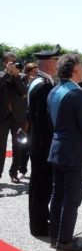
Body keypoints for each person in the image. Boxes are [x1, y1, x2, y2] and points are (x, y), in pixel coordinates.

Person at [47, 53, 82, 251]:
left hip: (57, 149)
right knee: (72, 198)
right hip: (73, 153)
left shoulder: (54, 91)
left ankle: (55, 236)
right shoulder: (76, 93)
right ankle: (64, 242)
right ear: (75, 70)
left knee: (57, 195)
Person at [27, 45, 60, 237]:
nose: (58, 64)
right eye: (56, 61)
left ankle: (38, 221)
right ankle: (39, 226)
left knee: (37, 185)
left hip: (36, 143)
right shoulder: (44, 86)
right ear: (48, 63)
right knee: (42, 186)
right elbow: (42, 121)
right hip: (42, 145)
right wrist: (49, 146)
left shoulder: (35, 82)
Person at [0, 52, 27, 183]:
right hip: (2, 117)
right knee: (1, 147)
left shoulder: (21, 77)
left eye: (15, 62)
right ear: (5, 63)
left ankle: (14, 173)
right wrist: (6, 73)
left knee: (18, 146)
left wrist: (16, 76)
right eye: (10, 62)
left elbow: (23, 92)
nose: (13, 64)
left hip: (18, 117)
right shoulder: (1, 75)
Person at [18, 63, 37, 179]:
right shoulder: (23, 82)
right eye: (33, 72)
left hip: (36, 119)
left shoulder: (41, 83)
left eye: (36, 72)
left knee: (36, 145)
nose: (35, 74)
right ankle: (22, 169)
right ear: (28, 72)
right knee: (24, 145)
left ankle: (36, 170)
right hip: (25, 118)